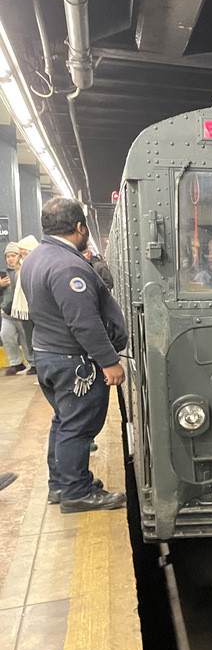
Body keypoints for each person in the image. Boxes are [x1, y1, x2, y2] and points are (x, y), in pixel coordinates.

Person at [19, 198, 128, 513]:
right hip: (73, 361)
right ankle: (77, 492)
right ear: (80, 227)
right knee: (78, 426)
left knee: (64, 422)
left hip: (49, 354)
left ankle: (61, 485)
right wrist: (110, 361)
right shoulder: (67, 266)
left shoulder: (36, 258)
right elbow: (84, 322)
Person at [6, 237, 38, 375]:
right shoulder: (18, 268)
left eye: (24, 249)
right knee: (26, 336)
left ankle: (36, 363)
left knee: (33, 337)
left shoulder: (35, 265)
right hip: (21, 310)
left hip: (34, 308)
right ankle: (31, 363)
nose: (21, 252)